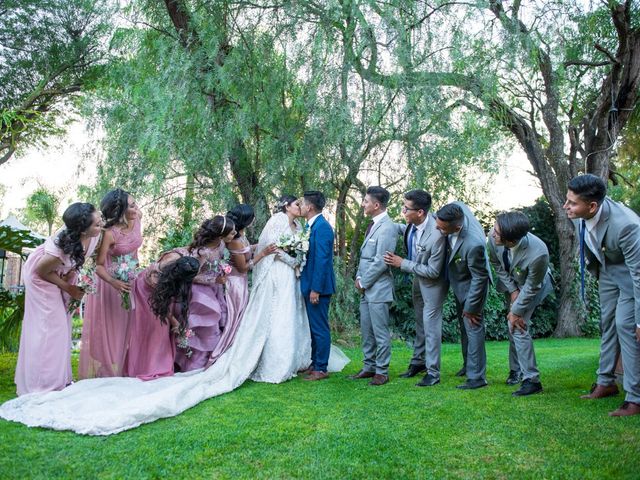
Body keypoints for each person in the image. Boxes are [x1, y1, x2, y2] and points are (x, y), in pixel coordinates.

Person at [564, 174, 640, 416]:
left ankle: (635, 398)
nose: (566, 206)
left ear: (592, 206)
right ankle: (605, 382)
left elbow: (639, 274)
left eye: (572, 203)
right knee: (607, 325)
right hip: (607, 271)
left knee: (626, 326)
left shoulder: (627, 225)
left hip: (631, 276)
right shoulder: (580, 215)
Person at [14, 202, 103, 395]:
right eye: (96, 224)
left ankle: (59, 380)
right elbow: (41, 270)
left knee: (64, 326)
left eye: (100, 220)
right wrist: (69, 288)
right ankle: (42, 385)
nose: (101, 225)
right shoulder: (60, 247)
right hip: (42, 279)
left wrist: (75, 282)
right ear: (83, 230)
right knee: (50, 329)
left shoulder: (93, 236)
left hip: (62, 275)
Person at [384, 189, 447, 387]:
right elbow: (403, 230)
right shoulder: (411, 225)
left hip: (433, 285)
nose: (403, 211)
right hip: (417, 281)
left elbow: (434, 271)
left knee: (431, 327)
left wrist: (402, 263)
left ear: (420, 212)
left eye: (406, 208)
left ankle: (433, 372)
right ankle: (418, 363)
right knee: (420, 323)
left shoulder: (437, 234)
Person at [80, 189, 143, 379]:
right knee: (110, 329)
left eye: (135, 203)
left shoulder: (138, 218)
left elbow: (134, 251)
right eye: (131, 205)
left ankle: (125, 367)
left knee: (129, 325)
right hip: (110, 284)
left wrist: (134, 273)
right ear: (121, 210)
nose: (136, 207)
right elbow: (98, 266)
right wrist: (114, 282)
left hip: (131, 281)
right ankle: (106, 370)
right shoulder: (109, 233)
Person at [488, 211, 552, 396]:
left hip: (532, 287)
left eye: (497, 232)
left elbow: (533, 286)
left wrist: (516, 310)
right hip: (513, 285)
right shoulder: (493, 240)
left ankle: (532, 380)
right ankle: (516, 370)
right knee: (512, 327)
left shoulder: (538, 252)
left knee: (517, 325)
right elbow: (497, 265)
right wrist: (513, 290)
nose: (493, 234)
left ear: (510, 239)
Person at [161, 216, 235, 372]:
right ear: (221, 235)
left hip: (215, 290)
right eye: (231, 232)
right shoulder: (202, 253)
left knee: (217, 323)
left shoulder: (221, 245)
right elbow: (190, 275)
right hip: (200, 293)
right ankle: (196, 364)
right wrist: (213, 279)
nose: (234, 234)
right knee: (204, 327)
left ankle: (211, 359)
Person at [209, 204, 276, 367]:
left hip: (241, 282)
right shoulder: (235, 241)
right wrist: (263, 253)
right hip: (235, 284)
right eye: (252, 217)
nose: (254, 219)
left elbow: (246, 249)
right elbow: (244, 267)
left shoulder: (240, 236)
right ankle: (229, 352)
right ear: (246, 220)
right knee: (236, 318)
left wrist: (261, 245)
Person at [435, 202, 491, 390]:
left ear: (457, 227)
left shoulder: (473, 244)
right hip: (459, 282)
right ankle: (468, 365)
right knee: (463, 327)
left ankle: (477, 377)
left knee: (472, 326)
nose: (437, 227)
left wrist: (471, 307)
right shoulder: (454, 212)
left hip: (472, 287)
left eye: (442, 227)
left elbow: (480, 278)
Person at [349, 186, 397, 386]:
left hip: (378, 289)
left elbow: (381, 261)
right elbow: (366, 258)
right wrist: (360, 278)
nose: (363, 204)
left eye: (366, 201)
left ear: (376, 205)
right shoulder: (373, 225)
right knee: (367, 331)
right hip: (366, 289)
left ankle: (382, 371)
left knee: (380, 332)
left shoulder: (387, 227)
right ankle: (369, 367)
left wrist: (363, 281)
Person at [299, 190, 340, 381]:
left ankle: (321, 368)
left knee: (320, 327)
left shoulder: (322, 227)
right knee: (314, 327)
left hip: (319, 288)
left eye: (301, 203)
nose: (299, 206)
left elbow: (322, 260)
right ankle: (315, 362)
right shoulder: (310, 226)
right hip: (311, 284)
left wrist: (316, 289)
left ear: (310, 207)